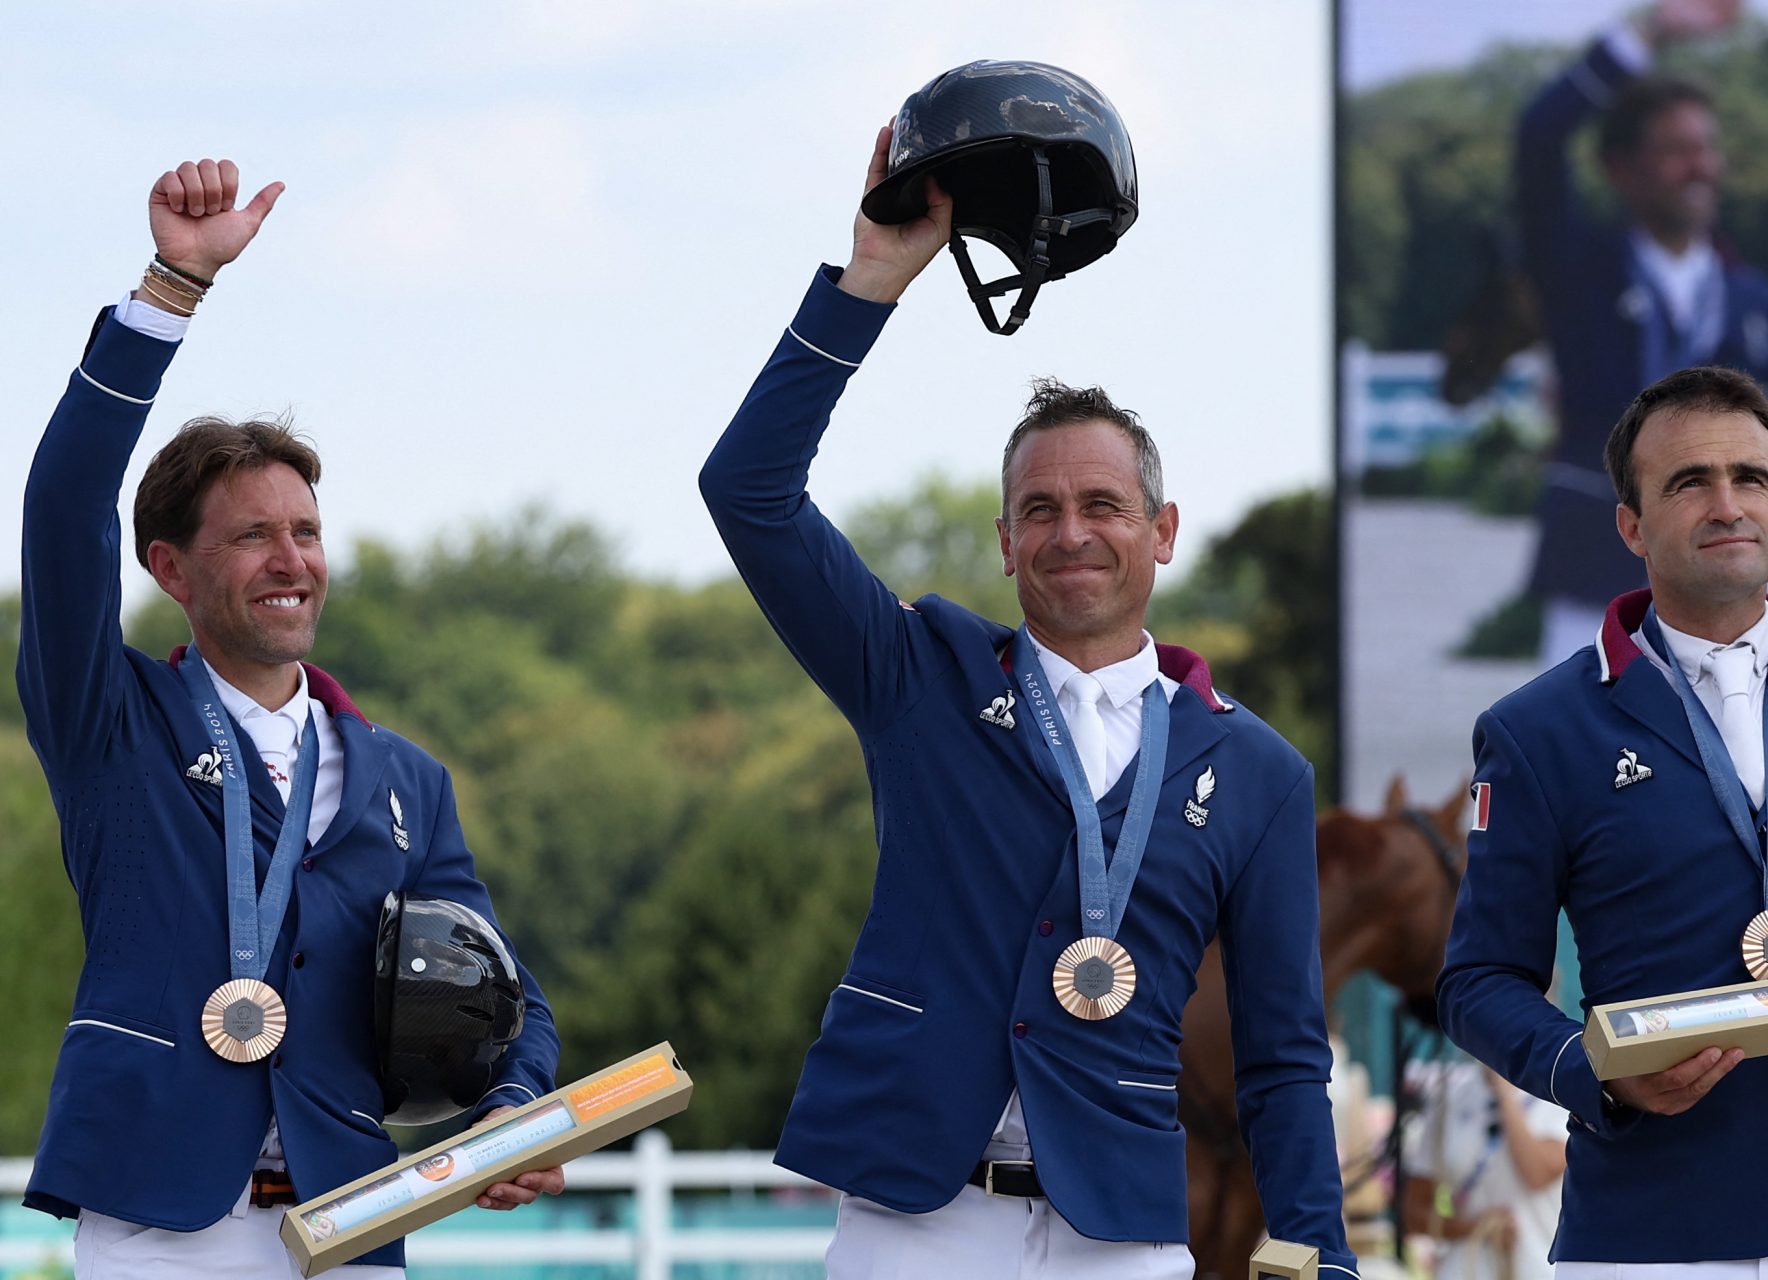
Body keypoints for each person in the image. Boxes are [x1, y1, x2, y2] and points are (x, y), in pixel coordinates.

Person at [699, 128, 1356, 1279]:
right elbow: (748, 491)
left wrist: (1326, 1257)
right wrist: (869, 285)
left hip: (1128, 1229)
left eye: (1103, 503)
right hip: (915, 1220)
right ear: (1004, 542)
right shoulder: (919, 676)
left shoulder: (1257, 770)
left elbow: (1282, 1057)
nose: (1071, 531)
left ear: (1162, 530)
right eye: (1039, 509)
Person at [16, 159, 564, 1278]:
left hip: (350, 1222)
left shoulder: (407, 781)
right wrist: (171, 286)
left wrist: (515, 1103)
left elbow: (507, 988)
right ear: (170, 566)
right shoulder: (113, 723)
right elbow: (62, 503)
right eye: (254, 535)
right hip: (159, 1225)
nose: (291, 560)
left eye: (306, 532)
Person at [1438, 364, 1768, 1272]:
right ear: (1632, 525)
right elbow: (1479, 981)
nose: (1727, 503)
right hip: (1660, 1232)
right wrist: (1595, 1071)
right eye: (1690, 482)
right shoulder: (1538, 732)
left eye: (1751, 478)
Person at [1515, 0, 1768, 660]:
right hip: (1596, 580)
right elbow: (1539, 136)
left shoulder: (1762, 304)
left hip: (1726, 593)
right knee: (1578, 759)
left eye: (1706, 148)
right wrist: (1650, 32)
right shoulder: (1580, 274)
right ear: (1621, 168)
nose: (1699, 165)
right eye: (1674, 150)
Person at [1402, 1063, 1567, 1280]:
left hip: (1540, 1266)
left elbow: (1537, 1174)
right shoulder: (1451, 1095)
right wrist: (1471, 1228)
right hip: (1465, 1268)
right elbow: (1414, 1213)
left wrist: (1504, 1093)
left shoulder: (1558, 1091)